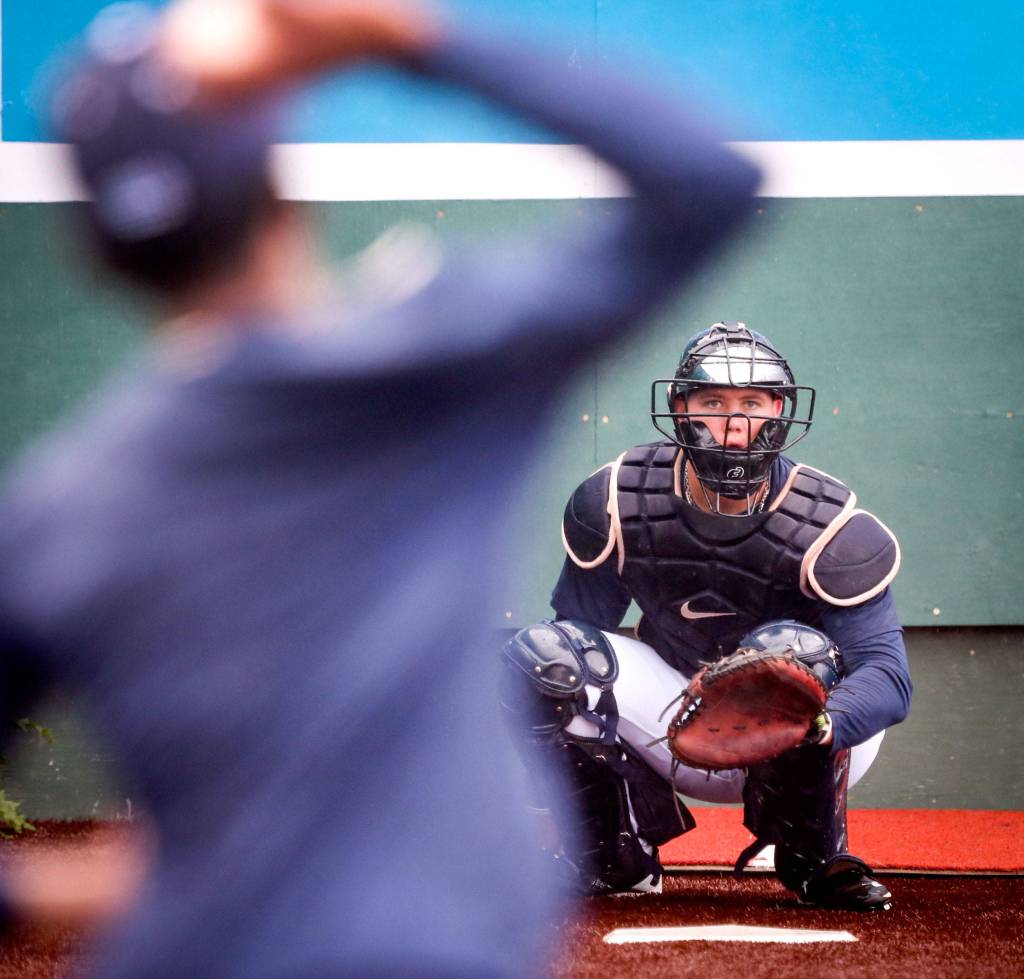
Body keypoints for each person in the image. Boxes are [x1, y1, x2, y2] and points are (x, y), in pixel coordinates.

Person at [0, 1, 761, 975]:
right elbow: (708, 186)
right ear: (282, 191)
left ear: (99, 255)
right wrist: (401, 37)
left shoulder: (56, 512)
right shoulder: (428, 369)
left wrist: (60, 886)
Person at [502, 321, 911, 910]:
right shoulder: (618, 498)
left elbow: (889, 678)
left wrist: (813, 724)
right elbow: (574, 633)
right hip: (674, 714)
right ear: (680, 406)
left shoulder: (833, 526)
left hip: (806, 731)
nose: (734, 422)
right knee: (547, 659)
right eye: (713, 402)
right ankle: (615, 854)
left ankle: (815, 855)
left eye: (752, 403)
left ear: (779, 411)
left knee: (794, 652)